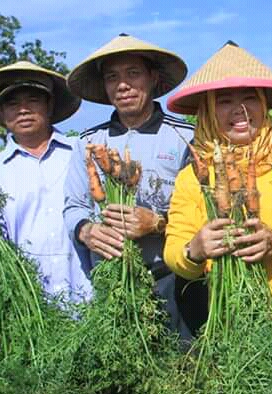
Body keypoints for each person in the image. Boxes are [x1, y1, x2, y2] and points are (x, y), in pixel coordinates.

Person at [163, 40, 272, 324]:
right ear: (208, 111)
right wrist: (194, 250)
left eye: (249, 98)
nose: (239, 109)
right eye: (224, 101)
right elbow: (174, 248)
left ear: (262, 102)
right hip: (229, 323)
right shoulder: (193, 175)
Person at [63, 34, 195, 338]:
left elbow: (200, 212)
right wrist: (86, 230)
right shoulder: (87, 142)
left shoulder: (185, 137)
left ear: (152, 78)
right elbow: (73, 206)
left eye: (133, 74)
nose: (123, 85)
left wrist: (158, 223)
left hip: (171, 279)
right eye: (112, 77)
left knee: (179, 369)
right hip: (111, 282)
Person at [0, 61, 92, 303]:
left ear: (49, 105)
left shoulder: (84, 153)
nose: (23, 110)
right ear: (1, 113)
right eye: (12, 103)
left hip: (91, 301)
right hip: (31, 307)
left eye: (33, 100)